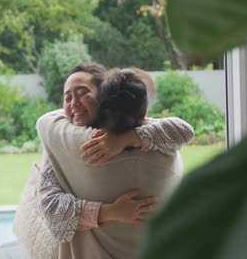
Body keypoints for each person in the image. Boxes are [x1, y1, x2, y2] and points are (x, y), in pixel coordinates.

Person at [36, 66, 193, 258]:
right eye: (67, 97)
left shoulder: (57, 134)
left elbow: (183, 130)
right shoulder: (60, 142)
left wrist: (126, 138)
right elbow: (51, 209)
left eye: (82, 93)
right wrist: (109, 212)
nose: (73, 103)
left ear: (103, 99)